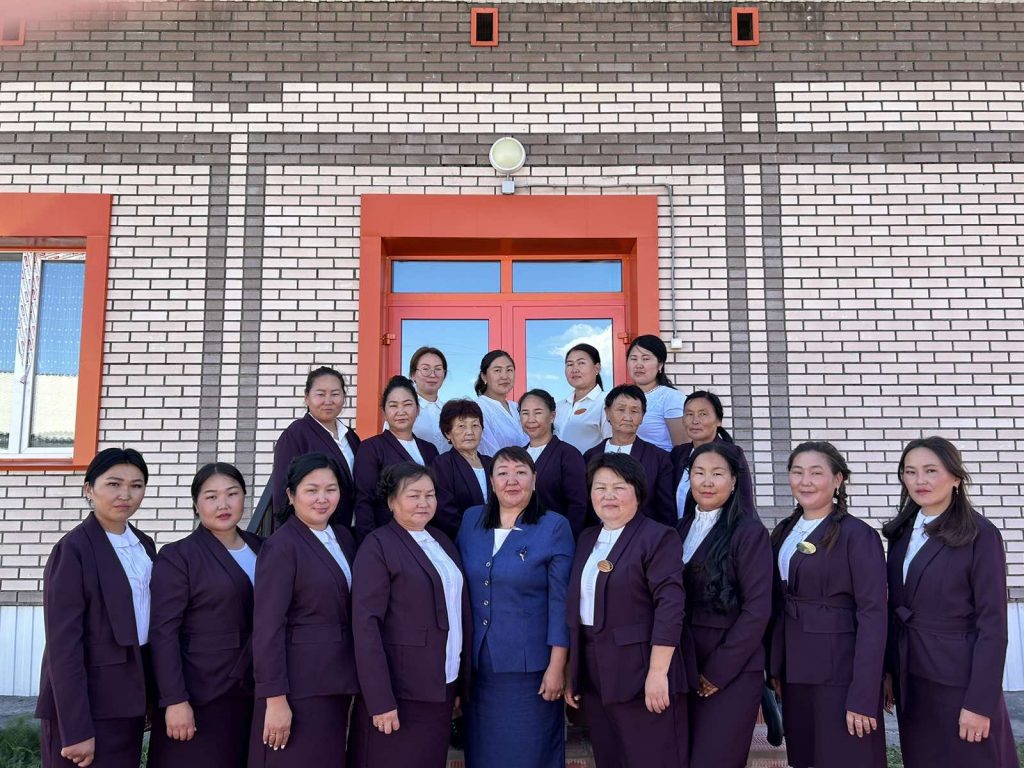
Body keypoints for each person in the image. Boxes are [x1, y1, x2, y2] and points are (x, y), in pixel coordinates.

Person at [882, 437, 1017, 767]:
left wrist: (980, 703)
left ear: (955, 477)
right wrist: (888, 671)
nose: (920, 480)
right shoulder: (902, 532)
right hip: (912, 677)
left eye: (931, 470)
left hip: (958, 680)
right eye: (910, 472)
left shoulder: (980, 534)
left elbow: (993, 626)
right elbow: (893, 607)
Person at [564, 453, 689, 768]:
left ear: (638, 491)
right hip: (595, 673)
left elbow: (670, 607)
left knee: (652, 758)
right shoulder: (587, 538)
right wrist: (572, 670)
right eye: (600, 487)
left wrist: (658, 673)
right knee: (610, 758)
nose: (608, 496)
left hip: (641, 670)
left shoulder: (658, 537)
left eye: (618, 487)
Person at [767, 441, 887, 768]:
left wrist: (864, 693)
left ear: (837, 479)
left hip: (840, 673)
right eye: (797, 472)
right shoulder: (784, 530)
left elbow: (873, 615)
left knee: (844, 758)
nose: (805, 481)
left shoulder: (857, 535)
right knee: (807, 757)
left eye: (816, 473)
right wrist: (775, 665)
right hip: (796, 671)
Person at [36, 448, 155, 768]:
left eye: (136, 485)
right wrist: (75, 729)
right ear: (89, 489)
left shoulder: (143, 545)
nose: (125, 495)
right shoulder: (73, 550)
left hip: (127, 700)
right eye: (114, 484)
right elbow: (63, 646)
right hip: (85, 705)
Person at [456, 446, 575, 768]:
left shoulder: (554, 526)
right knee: (484, 752)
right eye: (503, 473)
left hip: (531, 667)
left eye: (521, 472)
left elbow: (561, 602)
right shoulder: (471, 520)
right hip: (478, 666)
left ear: (534, 480)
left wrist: (557, 666)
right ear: (491, 481)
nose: (512, 481)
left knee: (529, 751)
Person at [351, 463, 471, 768]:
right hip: (400, 690)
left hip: (442, 683)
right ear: (392, 501)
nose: (423, 502)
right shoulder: (378, 545)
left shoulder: (441, 541)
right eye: (413, 495)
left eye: (430, 495)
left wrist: (459, 684)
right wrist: (379, 699)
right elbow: (366, 626)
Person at [149, 463, 264, 768]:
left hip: (253, 690)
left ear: (244, 497)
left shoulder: (263, 548)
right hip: (200, 691)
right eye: (211, 496)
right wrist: (174, 699)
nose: (223, 504)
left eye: (232, 494)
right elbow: (163, 632)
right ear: (196, 505)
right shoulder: (179, 556)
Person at [248, 454, 358, 767]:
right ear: (290, 494)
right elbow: (268, 627)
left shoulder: (343, 537)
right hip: (297, 687)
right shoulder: (281, 546)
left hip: (334, 682)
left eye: (330, 489)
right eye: (312, 490)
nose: (322, 499)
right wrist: (275, 698)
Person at [677, 443, 771, 768]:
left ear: (733, 481)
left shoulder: (749, 532)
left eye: (717, 474)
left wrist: (718, 670)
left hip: (730, 669)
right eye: (699, 473)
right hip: (685, 664)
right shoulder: (680, 528)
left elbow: (757, 610)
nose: (707, 482)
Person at [271, 366, 360, 532]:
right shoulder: (296, 435)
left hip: (349, 532)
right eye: (320, 394)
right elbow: (282, 492)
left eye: (335, 394)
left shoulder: (350, 437)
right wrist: (287, 534)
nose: (328, 401)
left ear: (344, 398)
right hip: (314, 531)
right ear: (306, 398)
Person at [353, 375, 440, 542]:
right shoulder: (371, 448)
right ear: (384, 412)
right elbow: (364, 501)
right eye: (393, 406)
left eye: (407, 404)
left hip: (427, 536)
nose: (401, 412)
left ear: (417, 409)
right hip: (388, 539)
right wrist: (370, 543)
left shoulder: (430, 450)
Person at [584, 384, 675, 526]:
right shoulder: (590, 456)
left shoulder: (659, 459)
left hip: (644, 535)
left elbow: (666, 510)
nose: (627, 417)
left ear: (642, 416)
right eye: (621, 410)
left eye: (634, 411)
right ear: (607, 413)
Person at [670, 391, 754, 520]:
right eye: (689, 414)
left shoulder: (733, 454)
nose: (695, 421)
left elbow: (744, 502)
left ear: (718, 420)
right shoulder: (678, 454)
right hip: (680, 530)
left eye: (703, 414)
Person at [519, 388, 588, 537]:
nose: (531, 419)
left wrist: (566, 539)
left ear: (552, 416)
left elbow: (578, 505)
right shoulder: (517, 456)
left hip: (555, 538)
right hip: (519, 537)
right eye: (525, 413)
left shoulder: (568, 454)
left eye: (538, 413)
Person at [431, 398, 492, 540]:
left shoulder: (491, 463)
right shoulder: (442, 464)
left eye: (475, 425)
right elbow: (445, 511)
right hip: (461, 539)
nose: (470, 432)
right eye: (461, 426)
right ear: (448, 433)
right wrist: (474, 536)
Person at [626, 335, 685, 452]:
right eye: (633, 359)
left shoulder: (671, 397)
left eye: (645, 359)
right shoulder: (621, 396)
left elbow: (682, 449)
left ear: (660, 365)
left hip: (661, 462)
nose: (638, 365)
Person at [554, 343, 612, 454]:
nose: (574, 369)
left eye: (581, 363)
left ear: (597, 368)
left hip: (591, 464)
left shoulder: (606, 401)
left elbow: (611, 444)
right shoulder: (559, 406)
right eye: (570, 364)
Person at [475, 349, 528, 456]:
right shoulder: (478, 408)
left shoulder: (517, 407)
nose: (504, 376)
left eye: (509, 370)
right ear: (484, 376)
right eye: (497, 370)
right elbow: (488, 452)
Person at [409, 346, 451, 454]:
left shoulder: (449, 412)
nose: (432, 374)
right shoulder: (404, 409)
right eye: (425, 369)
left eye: (438, 369)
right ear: (413, 375)